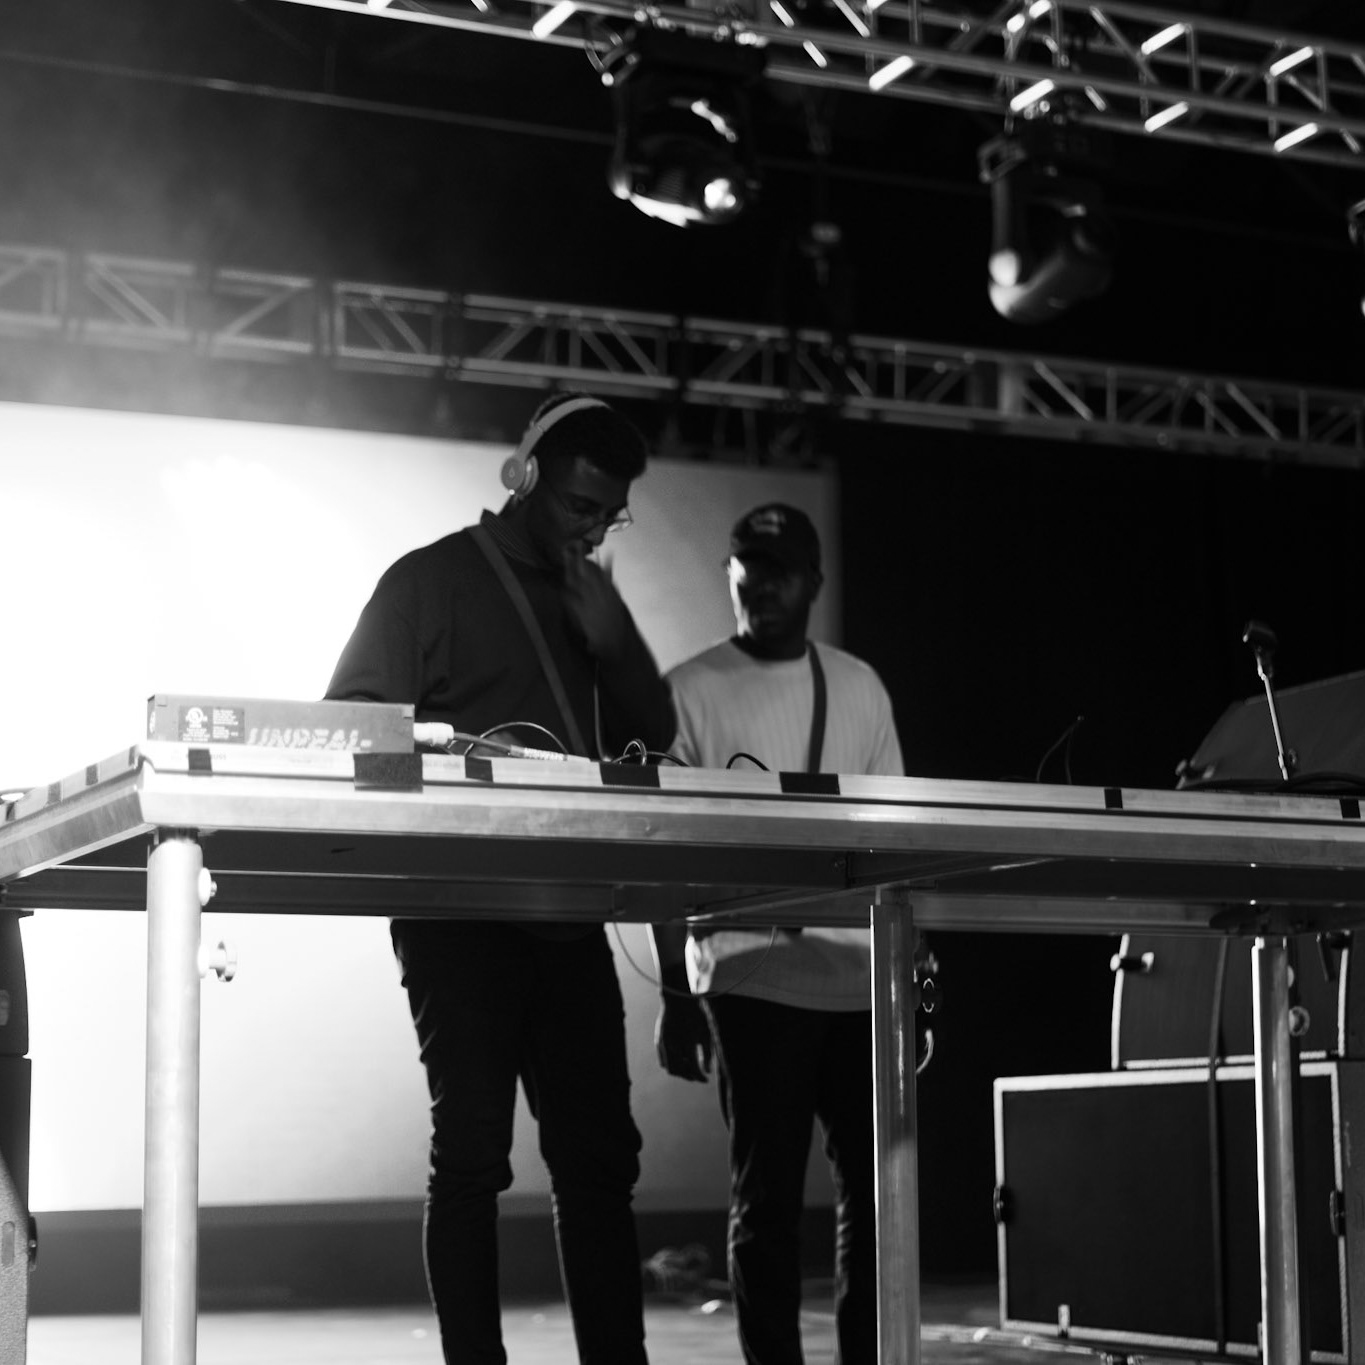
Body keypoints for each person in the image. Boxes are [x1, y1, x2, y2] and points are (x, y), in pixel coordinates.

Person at [326, 393, 675, 1365]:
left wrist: (619, 646)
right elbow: (352, 723)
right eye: (578, 507)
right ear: (523, 476)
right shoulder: (429, 582)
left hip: (567, 914)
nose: (592, 531)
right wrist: (450, 755)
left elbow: (656, 735)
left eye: (609, 516)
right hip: (457, 914)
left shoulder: (592, 600)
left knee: (598, 1164)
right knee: (474, 1158)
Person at [649, 502, 904, 1365]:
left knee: (876, 1197)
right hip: (749, 972)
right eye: (747, 570)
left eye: (779, 572)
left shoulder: (858, 685)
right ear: (729, 576)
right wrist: (675, 992)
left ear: (813, 582)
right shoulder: (685, 690)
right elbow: (661, 850)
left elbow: (898, 841)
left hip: (855, 971)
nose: (761, 586)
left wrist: (910, 973)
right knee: (766, 1201)